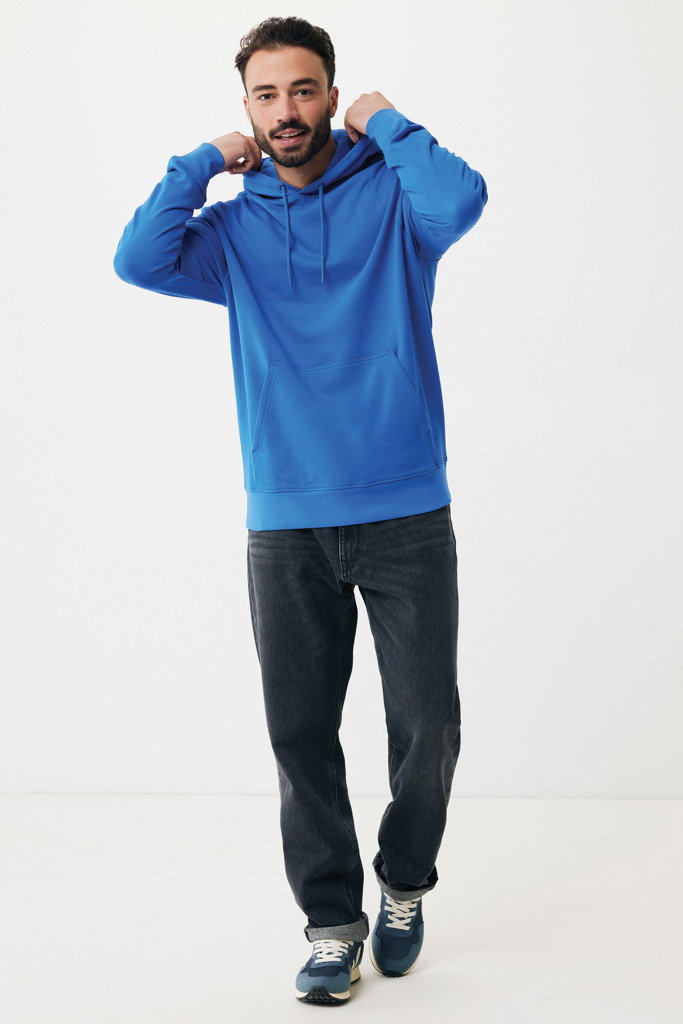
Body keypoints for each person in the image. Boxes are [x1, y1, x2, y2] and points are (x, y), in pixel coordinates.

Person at [114, 14, 487, 1005]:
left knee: (428, 727)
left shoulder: (396, 202)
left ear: (332, 95)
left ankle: (402, 883)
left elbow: (462, 198)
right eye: (266, 94)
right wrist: (202, 161)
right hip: (284, 521)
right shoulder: (230, 234)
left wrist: (389, 121)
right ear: (246, 108)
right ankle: (331, 925)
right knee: (300, 735)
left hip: (406, 511)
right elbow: (137, 259)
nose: (286, 110)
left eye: (305, 89)